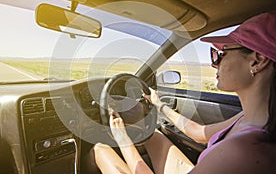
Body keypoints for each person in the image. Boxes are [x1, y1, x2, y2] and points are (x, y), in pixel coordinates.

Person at [92, 11, 276, 173]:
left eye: (222, 54)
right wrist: (159, 105)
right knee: (153, 136)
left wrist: (123, 140)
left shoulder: (241, 152)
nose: (214, 63)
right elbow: (200, 133)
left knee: (100, 149)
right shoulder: (251, 118)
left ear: (257, 60)